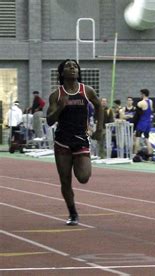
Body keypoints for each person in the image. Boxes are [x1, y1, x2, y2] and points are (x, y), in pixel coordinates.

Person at [46, 59, 103, 225]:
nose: (72, 68)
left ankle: (73, 210)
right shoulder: (56, 95)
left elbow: (99, 106)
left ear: (78, 72)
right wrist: (60, 108)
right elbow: (49, 121)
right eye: (68, 66)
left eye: (75, 66)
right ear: (62, 73)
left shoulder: (87, 91)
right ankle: (72, 213)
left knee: (84, 177)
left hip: (80, 139)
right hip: (62, 141)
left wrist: (99, 128)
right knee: (65, 180)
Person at [134, 89, 153, 156]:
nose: (140, 95)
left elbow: (137, 115)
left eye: (141, 94)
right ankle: (150, 154)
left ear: (143, 94)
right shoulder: (150, 101)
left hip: (142, 122)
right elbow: (151, 111)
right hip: (148, 122)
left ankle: (135, 154)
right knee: (147, 138)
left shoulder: (140, 103)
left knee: (137, 138)